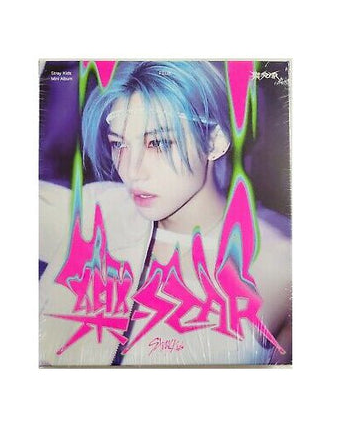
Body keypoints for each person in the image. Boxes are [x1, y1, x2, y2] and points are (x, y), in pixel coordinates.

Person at [39, 61, 291, 366]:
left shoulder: (278, 268)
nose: (131, 171)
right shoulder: (97, 211)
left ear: (214, 141)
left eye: (157, 143)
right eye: (119, 144)